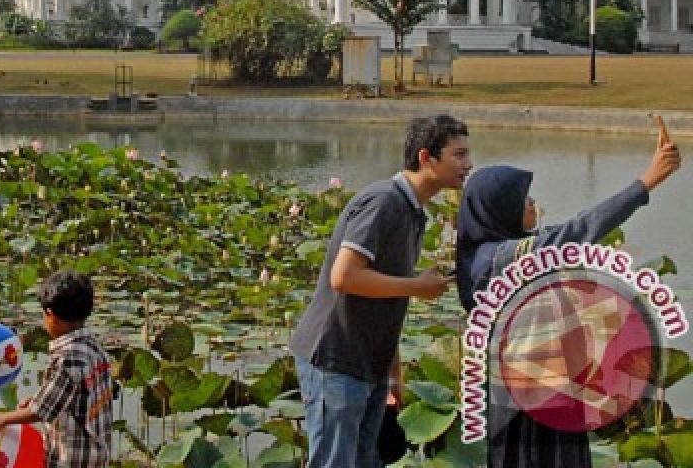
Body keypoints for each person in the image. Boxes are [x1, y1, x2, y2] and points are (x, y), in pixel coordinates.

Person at [456, 131, 682, 468]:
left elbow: (573, 230)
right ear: (499, 210)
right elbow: (579, 230)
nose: (532, 203)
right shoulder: (497, 258)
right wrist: (646, 182)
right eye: (522, 200)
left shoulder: (496, 250)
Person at [289, 114, 470, 468]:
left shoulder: (413, 212)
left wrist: (393, 372)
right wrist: (418, 287)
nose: (468, 164)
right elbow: (344, 276)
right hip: (336, 358)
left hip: (370, 365)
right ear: (426, 158)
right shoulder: (384, 201)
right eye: (459, 155)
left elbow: (387, 294)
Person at [0, 269, 113, 468]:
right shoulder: (94, 347)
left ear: (51, 315)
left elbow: (41, 411)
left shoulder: (68, 358)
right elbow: (79, 394)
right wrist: (38, 398)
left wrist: (3, 418)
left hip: (71, 457)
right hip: (95, 455)